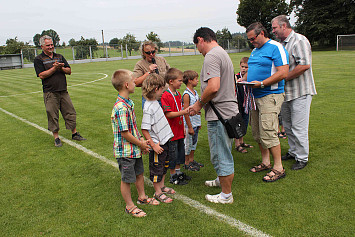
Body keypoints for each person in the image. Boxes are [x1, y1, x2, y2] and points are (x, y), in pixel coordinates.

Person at [189, 27, 238, 204]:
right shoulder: (222, 52)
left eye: (197, 46)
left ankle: (226, 195)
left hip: (220, 115)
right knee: (223, 150)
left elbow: (213, 87)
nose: (198, 50)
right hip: (228, 113)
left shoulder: (211, 56)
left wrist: (198, 104)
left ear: (201, 40)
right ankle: (220, 180)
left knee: (220, 154)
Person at [241, 22, 289, 182]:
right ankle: (266, 162)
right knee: (257, 132)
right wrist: (243, 80)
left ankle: (278, 168)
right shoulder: (255, 51)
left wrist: (262, 83)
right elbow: (252, 70)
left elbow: (283, 72)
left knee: (268, 131)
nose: (251, 42)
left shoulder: (276, 47)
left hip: (270, 95)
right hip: (255, 96)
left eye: (253, 38)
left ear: (262, 33)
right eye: (249, 40)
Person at [272, 15, 317, 170]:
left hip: (301, 92)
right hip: (287, 93)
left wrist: (283, 77)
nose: (273, 31)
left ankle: (302, 157)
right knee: (288, 126)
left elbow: (304, 65)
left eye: (274, 28)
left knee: (299, 127)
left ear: (284, 26)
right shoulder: (280, 44)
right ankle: (293, 151)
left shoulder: (299, 40)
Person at [111, 69, 157, 218]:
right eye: (133, 81)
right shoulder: (121, 107)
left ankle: (142, 197)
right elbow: (125, 133)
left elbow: (132, 128)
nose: (135, 83)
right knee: (127, 179)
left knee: (139, 173)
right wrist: (141, 144)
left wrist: (141, 143)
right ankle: (130, 206)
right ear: (126, 84)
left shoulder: (128, 103)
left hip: (133, 149)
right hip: (125, 151)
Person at [34, 35, 86, 147]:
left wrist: (61, 67)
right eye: (48, 45)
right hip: (50, 92)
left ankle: (74, 133)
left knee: (70, 112)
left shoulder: (59, 56)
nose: (50, 47)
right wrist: (54, 68)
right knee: (52, 114)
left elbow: (69, 71)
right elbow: (42, 75)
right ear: (42, 46)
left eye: (52, 44)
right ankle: (56, 138)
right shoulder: (38, 59)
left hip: (63, 90)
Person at [141, 74, 175, 203]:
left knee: (164, 165)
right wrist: (154, 145)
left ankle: (162, 186)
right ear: (156, 89)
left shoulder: (155, 102)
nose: (163, 92)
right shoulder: (148, 107)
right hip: (158, 145)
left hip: (166, 141)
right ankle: (157, 192)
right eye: (162, 89)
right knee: (157, 168)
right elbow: (145, 129)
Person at [161, 68, 190, 185]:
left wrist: (183, 126)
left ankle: (178, 172)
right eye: (179, 80)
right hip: (171, 132)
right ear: (171, 81)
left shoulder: (178, 94)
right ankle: (173, 176)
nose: (181, 82)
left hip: (179, 130)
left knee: (179, 153)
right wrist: (184, 112)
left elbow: (179, 111)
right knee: (172, 154)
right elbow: (169, 114)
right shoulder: (165, 96)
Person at [133, 41, 170, 108]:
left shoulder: (162, 60)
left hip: (165, 97)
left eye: (153, 52)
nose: (151, 54)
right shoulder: (139, 65)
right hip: (150, 100)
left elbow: (170, 75)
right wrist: (149, 72)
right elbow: (136, 82)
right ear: (143, 53)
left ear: (156, 50)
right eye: (148, 53)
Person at [182, 70, 203, 171]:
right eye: (196, 79)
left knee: (194, 142)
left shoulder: (195, 92)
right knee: (188, 144)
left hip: (195, 123)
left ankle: (191, 160)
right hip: (189, 124)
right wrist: (189, 126)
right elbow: (185, 111)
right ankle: (186, 163)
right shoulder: (186, 94)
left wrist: (198, 123)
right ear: (190, 81)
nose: (197, 81)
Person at [234, 57, 254, 153]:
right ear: (239, 66)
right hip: (238, 104)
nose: (244, 69)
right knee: (237, 123)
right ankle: (237, 144)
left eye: (246, 67)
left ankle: (242, 142)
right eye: (242, 66)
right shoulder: (236, 77)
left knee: (244, 123)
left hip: (246, 104)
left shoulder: (250, 77)